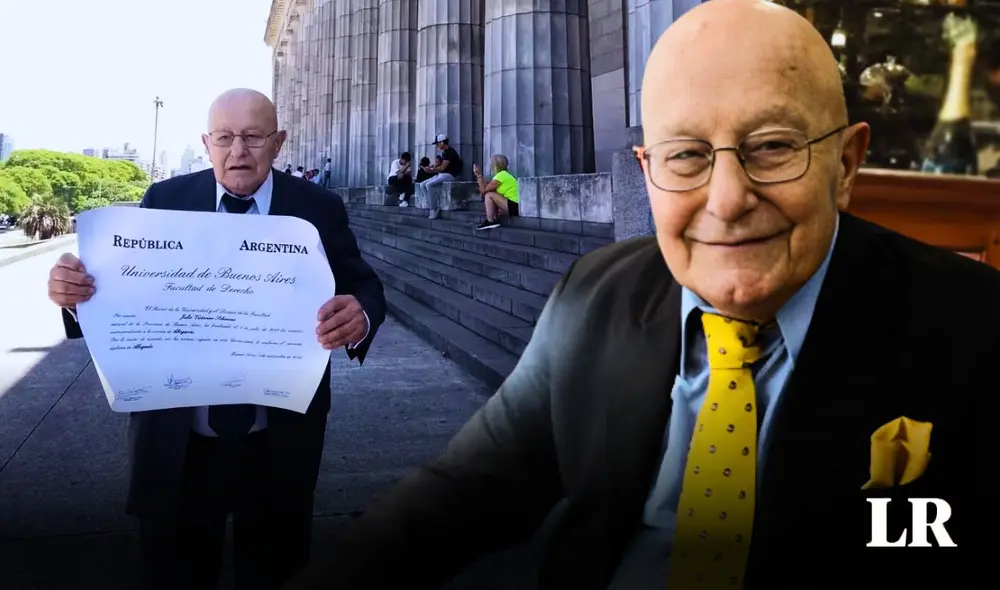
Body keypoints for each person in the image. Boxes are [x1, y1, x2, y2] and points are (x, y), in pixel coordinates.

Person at [284, 2, 986, 589]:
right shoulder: (595, 296)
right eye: (685, 155)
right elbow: (462, 492)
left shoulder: (970, 334)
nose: (729, 199)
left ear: (847, 162)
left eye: (773, 147)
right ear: (647, 170)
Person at [47, 88, 387, 590]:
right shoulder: (165, 200)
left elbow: (364, 285)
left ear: (279, 142)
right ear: (206, 143)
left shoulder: (318, 207)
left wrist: (360, 315)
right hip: (178, 443)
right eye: (224, 138)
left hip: (278, 441)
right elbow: (119, 293)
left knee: (278, 572)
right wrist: (74, 295)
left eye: (253, 137)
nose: (238, 152)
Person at [473, 154, 518, 230]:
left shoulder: (501, 175)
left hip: (514, 206)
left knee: (489, 195)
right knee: (491, 194)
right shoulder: (504, 175)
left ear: (496, 165)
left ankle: (491, 221)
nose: (490, 165)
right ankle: (494, 219)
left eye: (491, 163)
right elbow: (486, 187)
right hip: (513, 205)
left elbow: (483, 191)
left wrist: (479, 175)